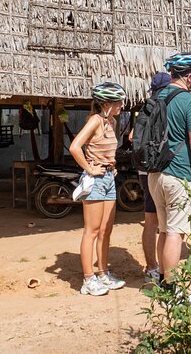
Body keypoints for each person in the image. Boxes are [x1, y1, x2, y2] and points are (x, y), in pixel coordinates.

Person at [147, 52, 191, 296]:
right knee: (176, 233)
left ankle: (162, 277)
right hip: (179, 175)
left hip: (155, 175)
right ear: (189, 76)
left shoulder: (157, 97)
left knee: (164, 230)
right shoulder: (190, 101)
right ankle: (171, 289)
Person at [69, 82, 127, 296]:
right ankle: (88, 279)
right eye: (118, 102)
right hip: (96, 180)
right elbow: (75, 147)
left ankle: (103, 273)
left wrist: (111, 166)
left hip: (109, 178)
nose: (122, 105)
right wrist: (89, 169)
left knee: (105, 230)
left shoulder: (110, 121)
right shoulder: (95, 120)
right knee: (91, 231)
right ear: (106, 103)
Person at [137, 72, 171, 285]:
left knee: (152, 221)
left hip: (145, 170)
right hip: (161, 169)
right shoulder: (166, 106)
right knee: (163, 223)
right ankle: (160, 269)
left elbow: (133, 137)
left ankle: (153, 267)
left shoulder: (146, 108)